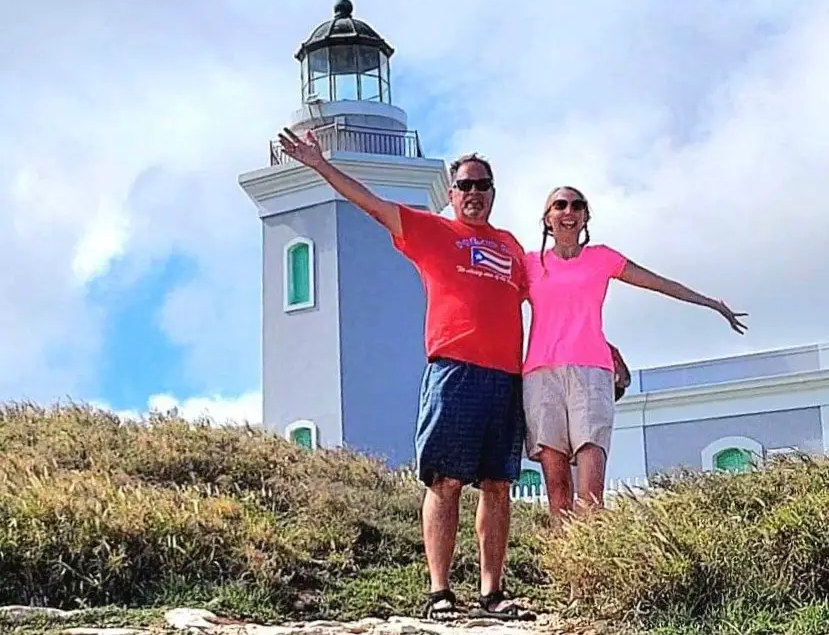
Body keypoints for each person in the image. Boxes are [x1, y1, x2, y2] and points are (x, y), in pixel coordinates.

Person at [276, 127, 534, 621]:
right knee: (446, 482)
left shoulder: (511, 247)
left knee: (498, 484)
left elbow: (546, 301)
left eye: (483, 185)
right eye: (465, 186)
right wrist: (319, 165)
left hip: (505, 377)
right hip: (453, 372)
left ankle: (492, 592)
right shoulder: (432, 231)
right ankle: (440, 593)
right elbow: (370, 203)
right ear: (452, 192)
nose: (474, 194)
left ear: (492, 193)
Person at [522, 185, 748, 519]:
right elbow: (495, 306)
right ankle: (564, 565)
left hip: (592, 373)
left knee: (591, 489)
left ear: (585, 217)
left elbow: (657, 282)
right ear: (547, 218)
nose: (568, 212)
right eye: (560, 205)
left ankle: (592, 558)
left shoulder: (601, 258)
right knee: (557, 493)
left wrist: (711, 303)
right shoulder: (529, 264)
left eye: (577, 205)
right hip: (541, 376)